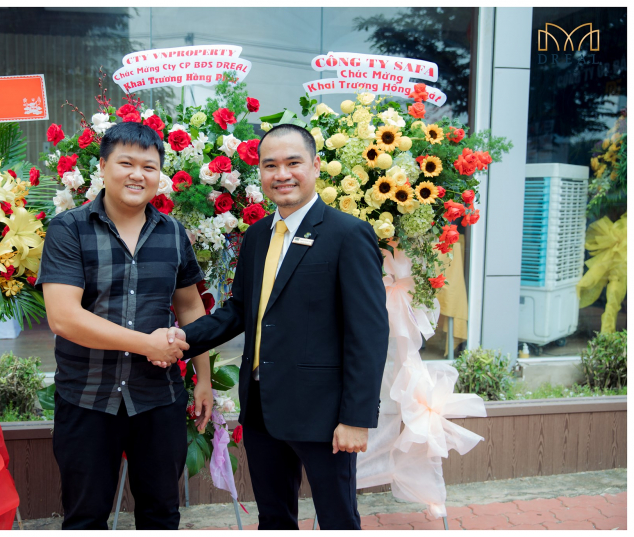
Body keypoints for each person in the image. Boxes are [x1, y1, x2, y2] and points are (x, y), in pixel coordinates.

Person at [167, 123, 389, 530]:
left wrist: (356, 418)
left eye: (293, 163)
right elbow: (239, 311)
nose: (282, 174)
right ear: (260, 173)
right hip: (262, 410)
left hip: (324, 415)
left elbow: (369, 333)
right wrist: (182, 338)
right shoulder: (256, 236)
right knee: (273, 519)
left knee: (338, 520)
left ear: (315, 166)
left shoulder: (348, 234)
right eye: (270, 165)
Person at [36, 121, 213, 530]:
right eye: (126, 163)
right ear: (102, 166)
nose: (138, 175)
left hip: (158, 399)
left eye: (149, 167)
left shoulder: (173, 233)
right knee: (85, 517)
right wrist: (146, 344)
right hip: (87, 398)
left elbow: (190, 308)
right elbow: (63, 317)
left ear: (159, 175)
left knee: (162, 515)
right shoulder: (69, 229)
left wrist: (203, 378)